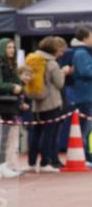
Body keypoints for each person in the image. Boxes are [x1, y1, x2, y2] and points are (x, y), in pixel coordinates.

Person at [26, 36, 71, 172]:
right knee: (49, 133)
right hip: (51, 103)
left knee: (36, 133)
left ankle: (31, 163)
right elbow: (59, 83)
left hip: (36, 103)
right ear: (53, 50)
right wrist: (63, 72)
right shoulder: (52, 64)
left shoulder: (32, 60)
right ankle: (45, 163)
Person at [0, 38, 23, 178]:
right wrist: (13, 87)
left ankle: (4, 164)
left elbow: (17, 81)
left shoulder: (10, 65)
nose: (12, 50)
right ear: (2, 48)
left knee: (6, 136)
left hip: (9, 105)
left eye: (13, 48)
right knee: (0, 136)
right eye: (8, 47)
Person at [70, 27, 92, 167]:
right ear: (85, 38)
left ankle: (88, 157)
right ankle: (87, 158)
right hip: (86, 97)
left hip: (86, 95)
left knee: (88, 129)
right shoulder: (81, 53)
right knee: (87, 129)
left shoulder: (82, 53)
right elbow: (86, 71)